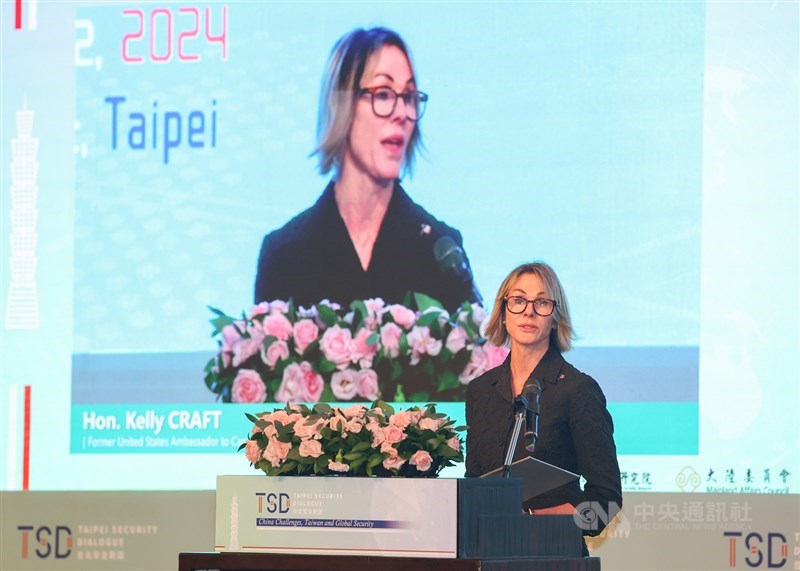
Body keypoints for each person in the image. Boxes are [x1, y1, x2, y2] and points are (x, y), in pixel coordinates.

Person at [254, 27, 480, 313]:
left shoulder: (440, 251)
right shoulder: (285, 254)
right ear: (342, 105)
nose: (401, 113)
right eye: (384, 95)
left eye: (409, 97)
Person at [465, 261, 622, 551]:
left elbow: (608, 499)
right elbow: (473, 482)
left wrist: (551, 519)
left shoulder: (577, 390)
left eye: (542, 302)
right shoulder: (480, 390)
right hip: (487, 552)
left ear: (555, 317)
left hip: (553, 552)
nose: (529, 311)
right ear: (503, 313)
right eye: (518, 300)